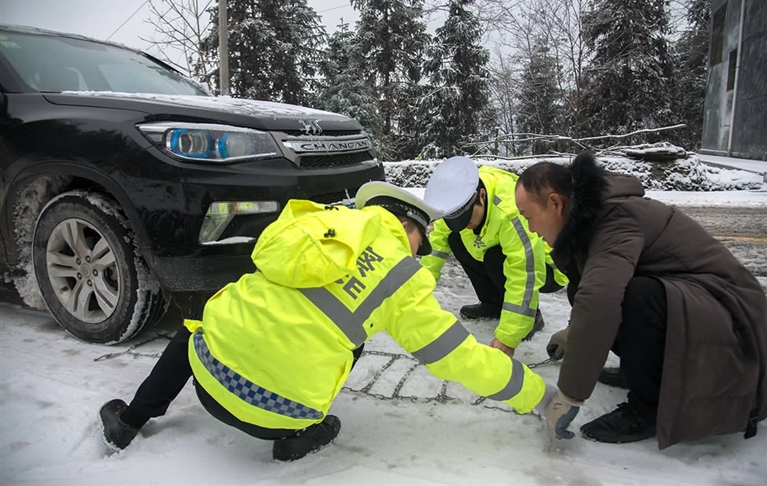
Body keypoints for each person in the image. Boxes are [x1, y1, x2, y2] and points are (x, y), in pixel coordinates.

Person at [99, 181, 556, 461]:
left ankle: (132, 420)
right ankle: (299, 434)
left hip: (207, 375)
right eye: (420, 242)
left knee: (207, 316)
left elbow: (262, 254)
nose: (419, 253)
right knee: (349, 335)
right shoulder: (403, 276)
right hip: (277, 416)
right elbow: (460, 359)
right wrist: (536, 392)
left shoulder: (317, 222)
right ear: (410, 230)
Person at [514, 151, 767, 448]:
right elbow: (593, 289)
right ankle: (643, 372)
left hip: (739, 331)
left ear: (556, 203)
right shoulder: (592, 218)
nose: (531, 229)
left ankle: (648, 408)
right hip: (706, 315)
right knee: (587, 291)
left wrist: (568, 396)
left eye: (529, 217)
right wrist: (574, 332)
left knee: (634, 297)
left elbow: (601, 301)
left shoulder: (615, 218)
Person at [421, 156, 567, 358]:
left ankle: (531, 317)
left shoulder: (510, 211)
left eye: (468, 218)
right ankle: (493, 303)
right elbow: (436, 246)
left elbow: (525, 272)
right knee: (456, 239)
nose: (466, 224)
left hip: (548, 268)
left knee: (494, 256)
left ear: (482, 196)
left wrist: (508, 336)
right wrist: (418, 290)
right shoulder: (459, 199)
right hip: (497, 251)